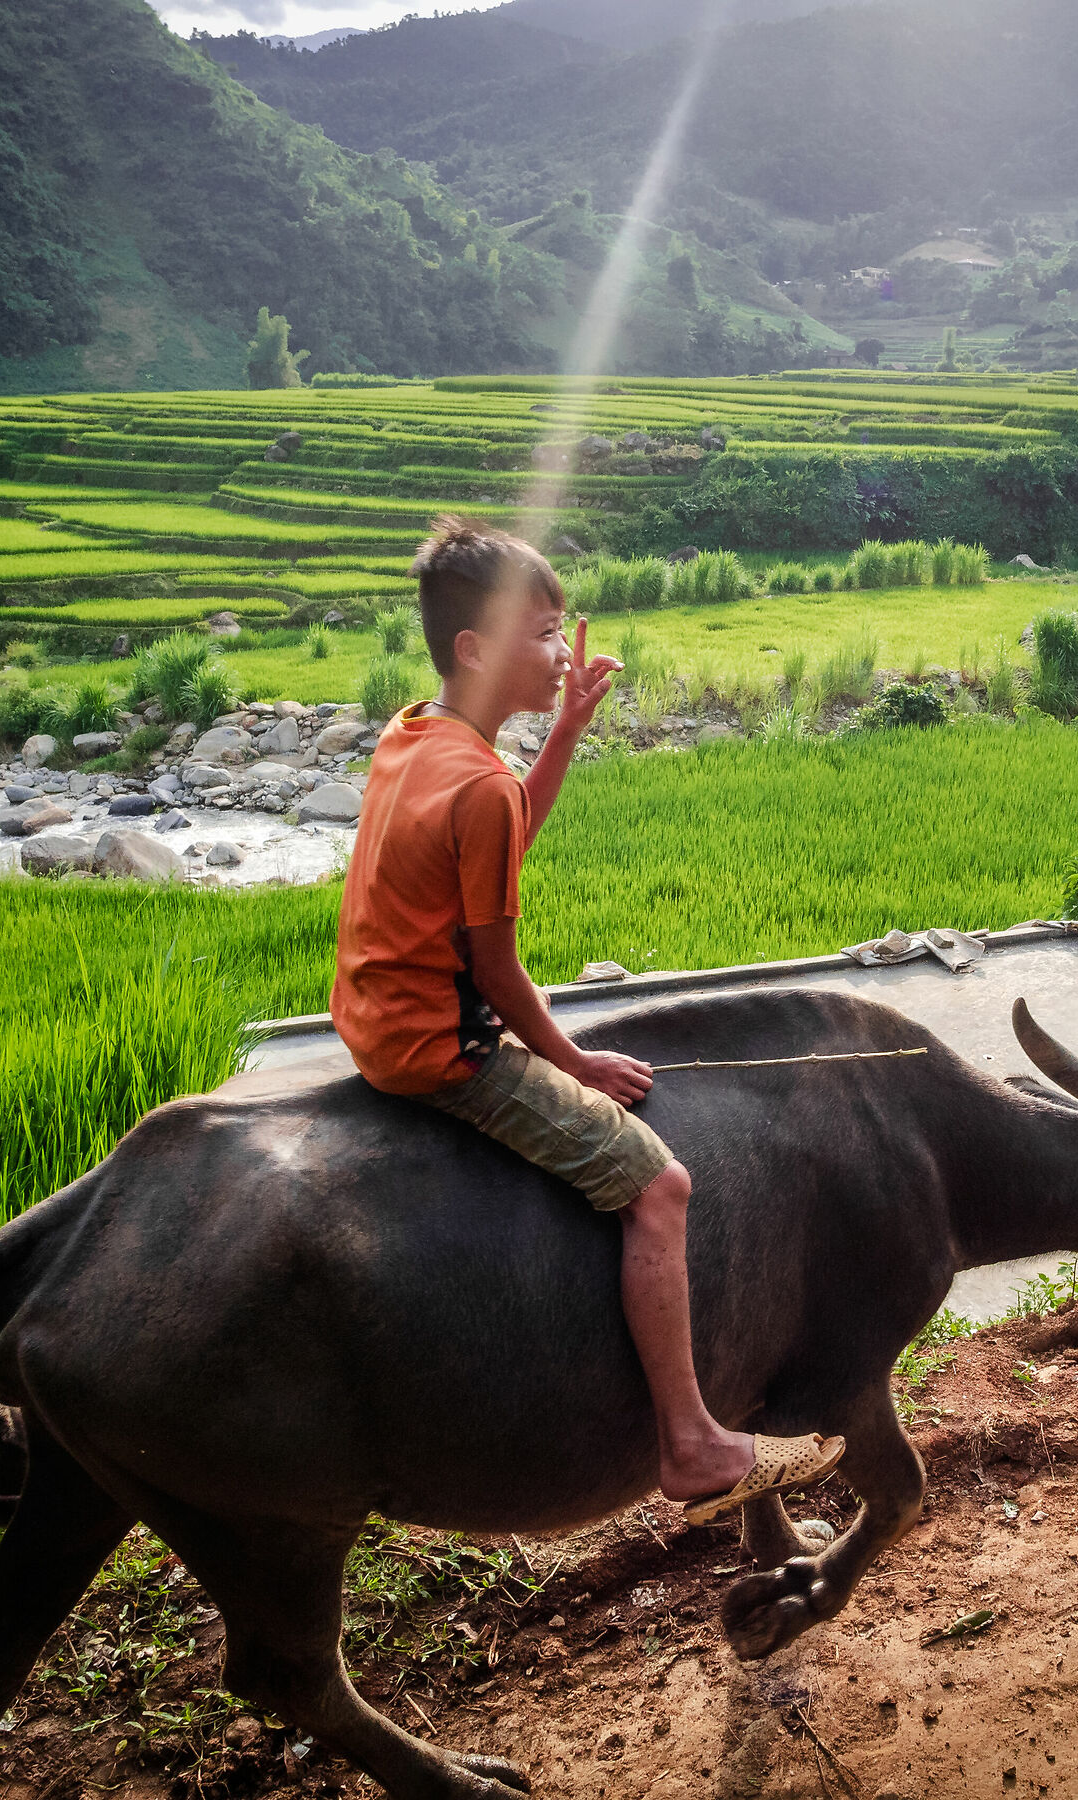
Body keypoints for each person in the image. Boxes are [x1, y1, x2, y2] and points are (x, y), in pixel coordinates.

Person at [330, 518, 843, 1523]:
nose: (561, 650)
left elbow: (502, 831)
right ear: (475, 649)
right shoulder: (475, 781)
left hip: (372, 1019)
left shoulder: (416, 738)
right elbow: (499, 971)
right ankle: (693, 1443)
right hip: (439, 1049)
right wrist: (570, 1060)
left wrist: (563, 730)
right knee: (659, 1184)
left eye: (562, 629)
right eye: (542, 633)